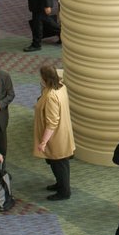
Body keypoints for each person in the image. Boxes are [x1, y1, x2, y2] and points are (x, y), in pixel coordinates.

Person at [33, 66, 76, 200]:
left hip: (56, 137)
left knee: (59, 164)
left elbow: (52, 122)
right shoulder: (61, 87)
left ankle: (64, 192)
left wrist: (43, 142)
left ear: (45, 78)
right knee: (57, 163)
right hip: (61, 133)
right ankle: (61, 185)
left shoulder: (51, 96)